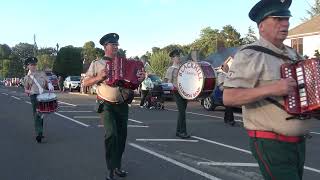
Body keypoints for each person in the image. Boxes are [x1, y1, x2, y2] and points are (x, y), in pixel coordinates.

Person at [223, 0, 314, 179]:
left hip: (298, 143)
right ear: (262, 25)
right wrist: (272, 89)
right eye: (278, 19)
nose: (286, 23)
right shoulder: (250, 54)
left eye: (287, 18)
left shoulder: (294, 55)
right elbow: (229, 97)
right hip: (271, 142)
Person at [83, 33, 145, 180]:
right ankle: (110, 168)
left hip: (122, 104)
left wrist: (141, 78)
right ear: (105, 47)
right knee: (111, 134)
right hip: (106, 104)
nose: (116, 47)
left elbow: (133, 81)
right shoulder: (97, 64)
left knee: (122, 136)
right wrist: (99, 77)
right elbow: (85, 83)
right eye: (113, 45)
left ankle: (117, 165)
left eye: (117, 45)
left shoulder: (124, 63)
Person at [24, 57, 54, 143]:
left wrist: (50, 85)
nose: (33, 66)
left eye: (34, 64)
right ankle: (39, 133)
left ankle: (40, 131)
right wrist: (31, 91)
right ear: (28, 66)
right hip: (34, 96)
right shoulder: (27, 77)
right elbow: (26, 90)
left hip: (42, 96)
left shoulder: (41, 73)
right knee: (37, 113)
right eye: (31, 65)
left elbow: (48, 81)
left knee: (41, 113)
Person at [164, 49, 190, 139]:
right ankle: (182, 131)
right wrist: (175, 87)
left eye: (179, 56)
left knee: (182, 112)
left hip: (184, 92)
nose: (179, 58)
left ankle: (178, 131)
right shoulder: (171, 69)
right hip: (177, 92)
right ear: (172, 59)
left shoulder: (182, 67)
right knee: (182, 112)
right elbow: (168, 83)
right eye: (177, 57)